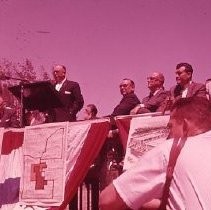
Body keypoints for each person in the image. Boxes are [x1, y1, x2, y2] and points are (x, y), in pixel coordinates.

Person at [99, 97, 211, 210]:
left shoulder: (172, 149)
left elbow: (107, 200)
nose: (168, 134)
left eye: (170, 126)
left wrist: (134, 198)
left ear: (185, 125)